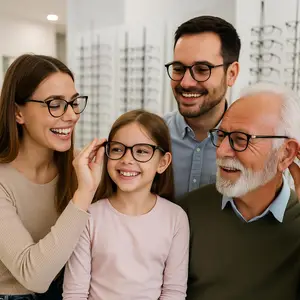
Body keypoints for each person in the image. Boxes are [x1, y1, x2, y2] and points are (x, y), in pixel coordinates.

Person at [179, 83, 300, 300]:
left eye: (241, 140)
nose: (222, 151)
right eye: (221, 135)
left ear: (285, 154)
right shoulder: (185, 212)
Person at [0, 54, 105, 300]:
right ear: (18, 113)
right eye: (54, 104)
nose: (71, 115)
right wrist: (84, 193)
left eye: (74, 102)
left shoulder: (81, 167)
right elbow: (33, 277)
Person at [63, 109, 190, 300]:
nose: (127, 159)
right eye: (117, 149)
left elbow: (174, 292)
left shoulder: (175, 218)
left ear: (163, 163)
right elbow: (75, 294)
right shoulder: (88, 215)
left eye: (141, 151)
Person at [164, 15, 240, 198]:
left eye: (202, 69)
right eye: (178, 69)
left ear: (231, 74)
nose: (186, 82)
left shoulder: (251, 146)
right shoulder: (151, 136)